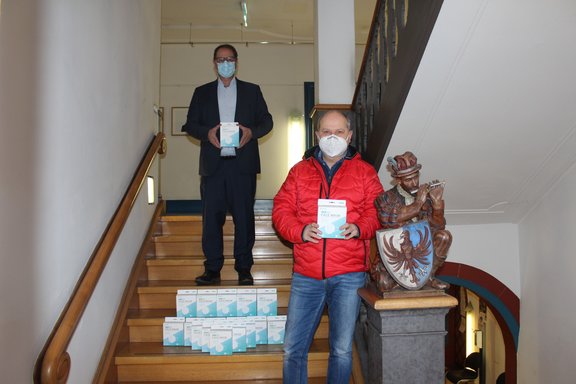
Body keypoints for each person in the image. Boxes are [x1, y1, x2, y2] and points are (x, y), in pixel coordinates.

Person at [272, 110, 383, 384]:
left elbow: (378, 212)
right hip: (306, 276)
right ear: (317, 135)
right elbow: (281, 210)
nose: (332, 137)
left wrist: (359, 229)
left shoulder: (365, 173)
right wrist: (299, 231)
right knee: (292, 350)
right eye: (326, 132)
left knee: (342, 351)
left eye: (339, 132)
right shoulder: (299, 172)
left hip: (348, 275)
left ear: (350, 135)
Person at [182, 44, 273, 286]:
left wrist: (251, 132)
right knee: (211, 219)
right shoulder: (201, 93)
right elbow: (190, 124)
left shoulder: (252, 91)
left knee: (244, 218)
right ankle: (212, 269)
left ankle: (244, 269)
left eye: (229, 59)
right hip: (213, 167)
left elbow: (267, 121)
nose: (225, 63)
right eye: (221, 59)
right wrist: (207, 133)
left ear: (236, 62)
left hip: (242, 166)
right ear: (214, 63)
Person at [372, 151, 452, 291]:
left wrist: (437, 205)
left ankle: (428, 277)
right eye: (408, 180)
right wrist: (417, 204)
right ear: (398, 180)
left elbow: (438, 226)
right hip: (398, 249)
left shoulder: (425, 196)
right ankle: (400, 280)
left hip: (421, 248)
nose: (414, 183)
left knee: (444, 236)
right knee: (384, 285)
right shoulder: (385, 198)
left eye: (416, 177)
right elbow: (389, 220)